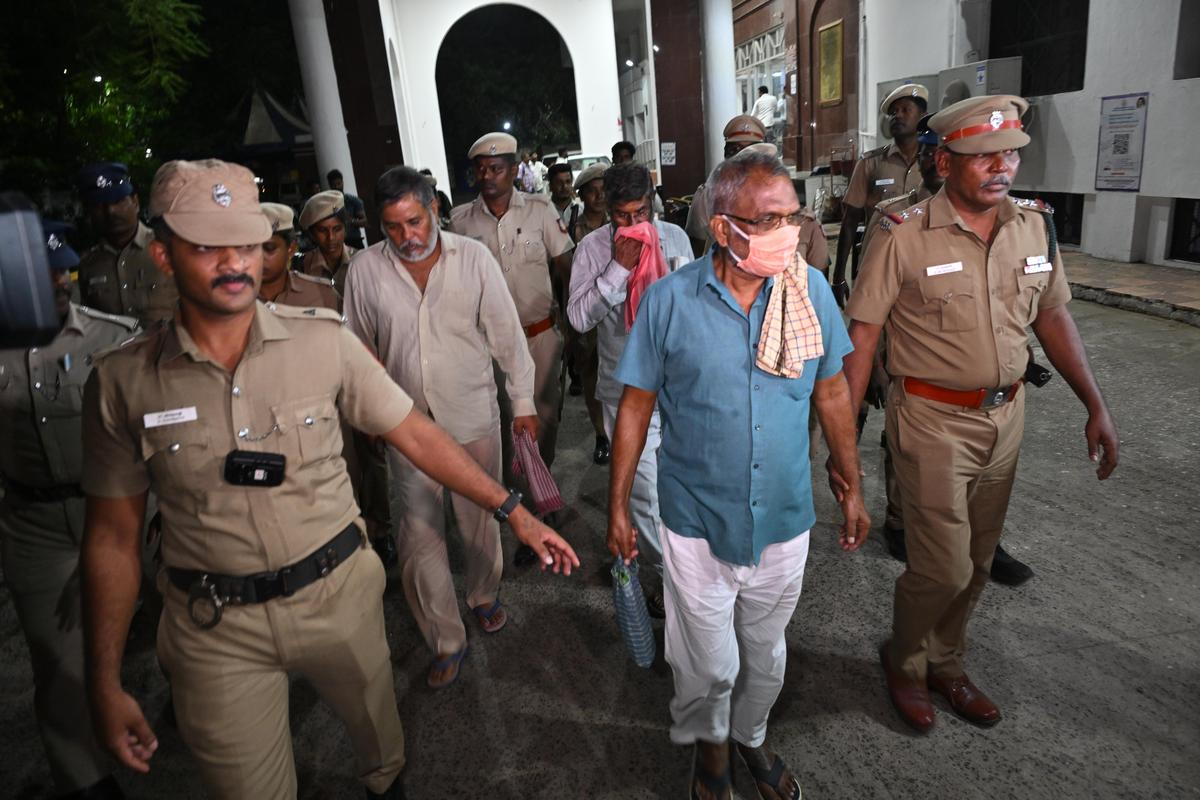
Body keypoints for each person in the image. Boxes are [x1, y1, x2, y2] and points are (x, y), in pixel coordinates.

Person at [79, 159, 578, 799]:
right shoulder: (121, 382)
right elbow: (111, 539)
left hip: (339, 598)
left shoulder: (322, 341)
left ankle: (478, 605)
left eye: (247, 242)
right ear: (164, 255)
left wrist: (515, 507)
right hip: (215, 627)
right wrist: (103, 680)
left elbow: (423, 424)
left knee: (383, 758)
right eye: (206, 246)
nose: (234, 262)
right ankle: (444, 637)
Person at [839, 95, 1119, 733]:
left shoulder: (1034, 226)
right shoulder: (902, 231)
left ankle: (947, 661)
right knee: (943, 565)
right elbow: (862, 337)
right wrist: (844, 446)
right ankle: (905, 663)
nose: (1002, 167)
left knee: (981, 559)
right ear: (944, 161)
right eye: (984, 155)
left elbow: (1053, 317)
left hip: (1006, 419)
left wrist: (1095, 403)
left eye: (1011, 153)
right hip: (931, 421)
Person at [610, 151, 868, 800]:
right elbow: (635, 406)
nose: (789, 233)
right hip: (695, 525)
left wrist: (852, 482)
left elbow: (832, 390)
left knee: (767, 654)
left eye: (793, 217)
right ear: (723, 228)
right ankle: (712, 754)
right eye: (769, 220)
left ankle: (750, 735)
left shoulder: (808, 291)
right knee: (704, 663)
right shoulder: (669, 301)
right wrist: (617, 507)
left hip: (782, 518)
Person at [344, 166, 540, 688]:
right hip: (405, 424)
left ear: (433, 208)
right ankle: (445, 638)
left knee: (480, 516)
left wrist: (522, 401)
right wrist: (368, 414)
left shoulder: (473, 258)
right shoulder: (364, 270)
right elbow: (356, 348)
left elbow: (506, 334)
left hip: (472, 413)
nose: (407, 236)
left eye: (414, 221)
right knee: (419, 531)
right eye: (393, 227)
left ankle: (483, 593)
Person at [1, 220, 139, 800]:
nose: (60, 282)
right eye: (42, 274)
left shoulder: (114, 339)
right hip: (33, 527)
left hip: (121, 513)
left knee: (179, 633)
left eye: (64, 271)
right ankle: (87, 784)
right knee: (59, 669)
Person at [567, 161, 692, 617]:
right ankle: (669, 580)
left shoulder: (675, 239)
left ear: (653, 204)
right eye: (623, 216)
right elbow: (578, 318)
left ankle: (689, 569)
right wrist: (618, 270)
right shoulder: (592, 249)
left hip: (679, 388)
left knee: (682, 485)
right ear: (608, 210)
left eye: (641, 213)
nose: (634, 223)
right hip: (624, 391)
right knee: (644, 496)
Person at [449, 132, 575, 567]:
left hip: (539, 337)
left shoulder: (540, 210)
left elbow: (565, 266)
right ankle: (523, 508)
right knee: (505, 426)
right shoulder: (460, 222)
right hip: (488, 345)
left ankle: (542, 486)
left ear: (514, 169)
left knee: (544, 419)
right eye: (481, 169)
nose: (488, 176)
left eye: (496, 168)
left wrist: (571, 321)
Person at [260, 202, 394, 565]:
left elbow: (352, 344)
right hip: (278, 408)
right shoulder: (239, 302)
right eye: (323, 230)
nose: (331, 237)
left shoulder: (321, 291)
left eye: (269, 247)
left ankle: (378, 531)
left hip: (334, 397)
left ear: (289, 247)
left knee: (361, 464)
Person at [832, 83, 929, 306]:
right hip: (878, 262)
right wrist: (838, 277)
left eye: (905, 110)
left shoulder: (934, 164)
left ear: (922, 116)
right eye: (893, 112)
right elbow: (850, 221)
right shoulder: (871, 164)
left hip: (923, 261)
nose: (897, 116)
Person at [75, 162, 178, 328]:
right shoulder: (88, 265)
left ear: (135, 203)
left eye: (118, 201)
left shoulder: (170, 247)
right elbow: (90, 325)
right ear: (90, 213)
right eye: (100, 205)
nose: (111, 211)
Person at [684, 115, 767, 254]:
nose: (745, 160)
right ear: (727, 155)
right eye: (736, 151)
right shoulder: (708, 196)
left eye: (751, 152)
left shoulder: (773, 193)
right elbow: (696, 250)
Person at [258, 202, 339, 309]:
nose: (258, 257)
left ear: (291, 249)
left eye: (269, 249)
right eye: (249, 249)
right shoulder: (236, 298)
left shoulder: (321, 293)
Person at [299, 189, 357, 298]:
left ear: (345, 229)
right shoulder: (302, 266)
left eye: (337, 229)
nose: (331, 237)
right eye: (322, 230)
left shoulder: (361, 261)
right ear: (312, 234)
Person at [327, 169, 368, 249]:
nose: (337, 187)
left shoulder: (352, 201)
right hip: (337, 244)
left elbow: (365, 222)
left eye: (339, 183)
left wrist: (350, 220)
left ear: (343, 182)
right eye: (334, 185)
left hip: (354, 241)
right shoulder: (327, 204)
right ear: (330, 186)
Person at [572, 164, 609, 243]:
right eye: (592, 191)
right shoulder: (574, 230)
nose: (599, 196)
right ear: (581, 196)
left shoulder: (615, 223)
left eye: (603, 189)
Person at [548, 162, 581, 231]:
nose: (564, 186)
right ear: (550, 186)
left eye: (568, 181)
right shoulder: (542, 213)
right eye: (559, 183)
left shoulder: (581, 211)